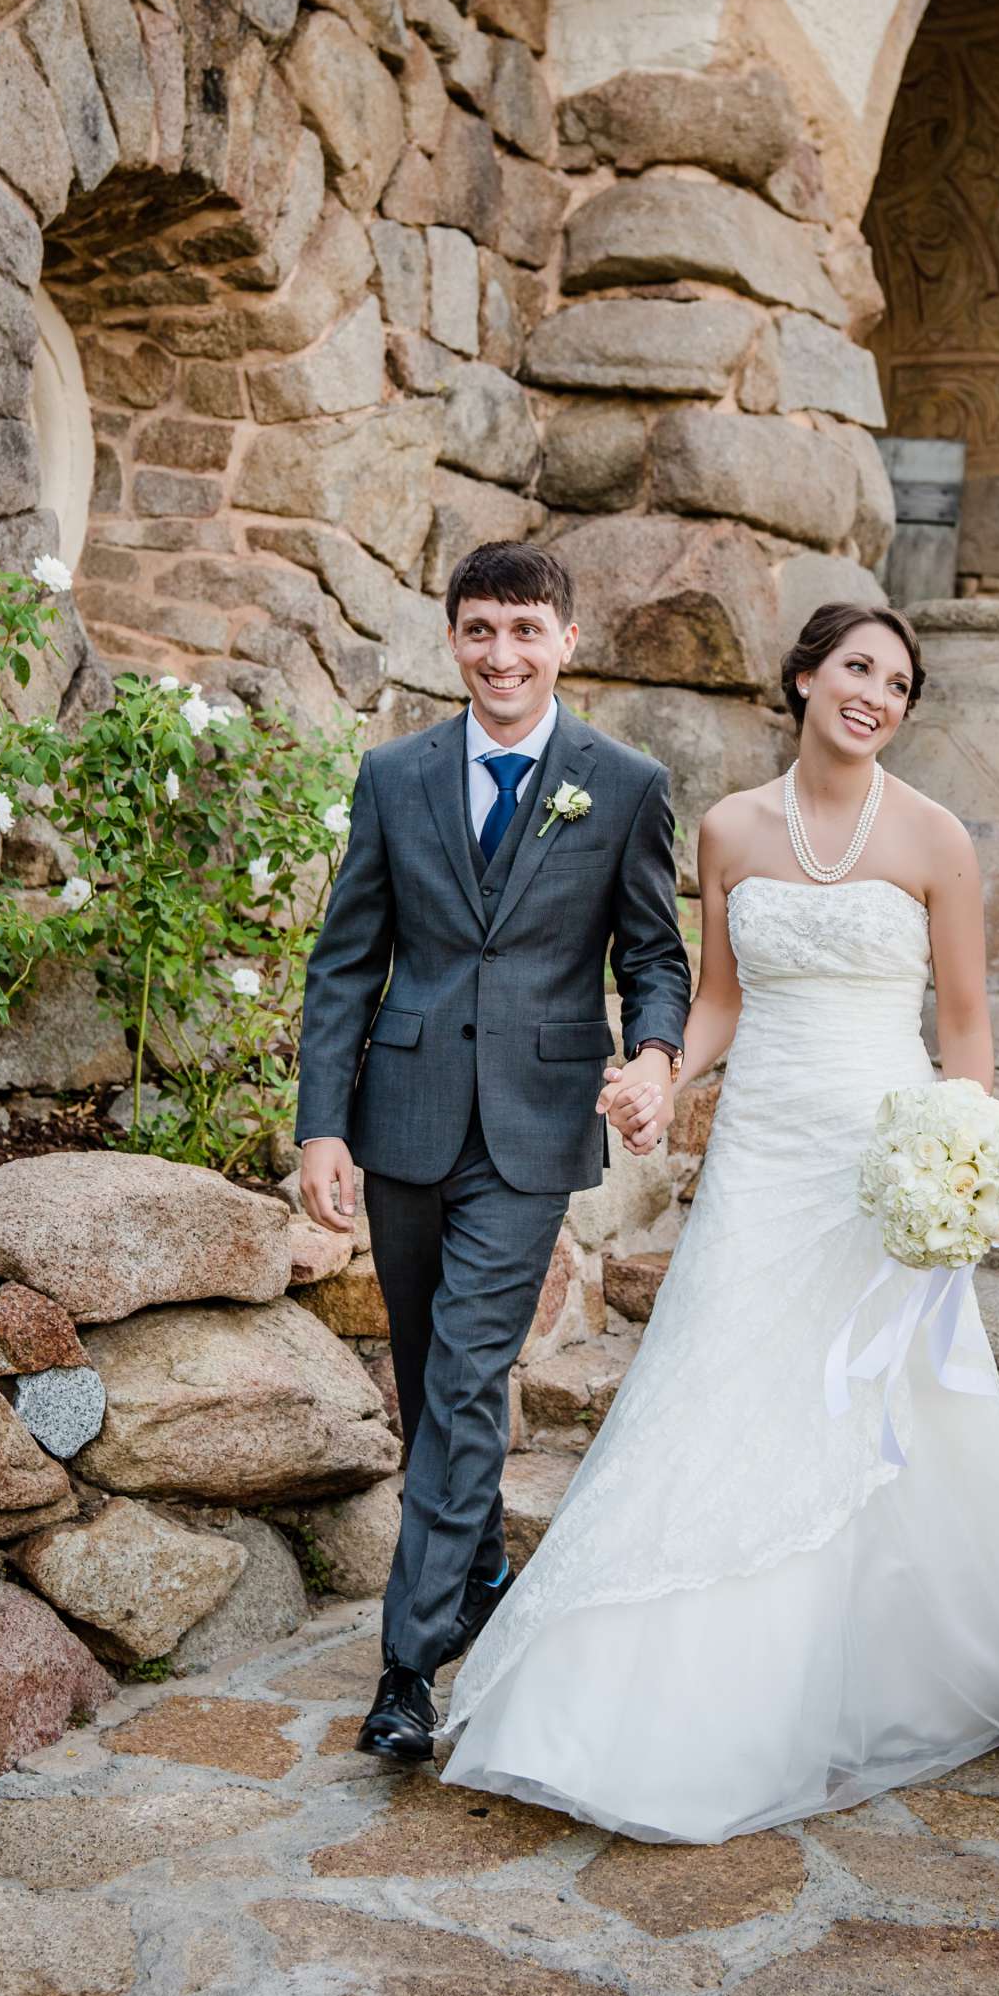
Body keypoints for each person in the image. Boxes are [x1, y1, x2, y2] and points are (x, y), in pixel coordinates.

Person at [440, 600, 999, 1841]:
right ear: (804, 677)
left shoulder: (936, 838)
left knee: (881, 1406)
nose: (875, 695)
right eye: (856, 668)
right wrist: (659, 1072)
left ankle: (858, 1673)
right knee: (717, 1386)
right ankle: (648, 1700)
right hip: (762, 1151)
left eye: (899, 684)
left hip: (884, 1153)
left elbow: (965, 1029)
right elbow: (720, 1001)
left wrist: (961, 1165)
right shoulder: (731, 827)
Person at [295, 541, 692, 1765]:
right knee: (426, 1383)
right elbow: (347, 960)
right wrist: (321, 1122)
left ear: (567, 640)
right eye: (479, 631)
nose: (502, 655)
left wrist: (658, 1058)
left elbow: (654, 957)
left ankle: (407, 1668)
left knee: (465, 1377)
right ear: (453, 641)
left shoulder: (621, 784)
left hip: (532, 1125)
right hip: (403, 1118)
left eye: (525, 630)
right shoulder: (394, 775)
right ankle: (478, 1573)